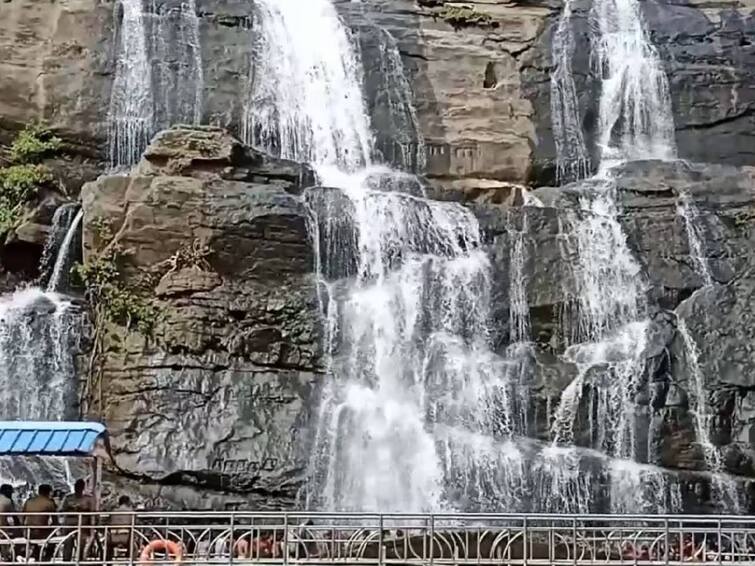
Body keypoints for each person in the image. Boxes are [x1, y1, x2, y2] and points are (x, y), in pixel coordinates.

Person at [60, 479, 95, 561]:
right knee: (68, 541)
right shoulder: (68, 498)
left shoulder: (88, 499)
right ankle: (67, 560)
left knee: (81, 542)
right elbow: (61, 509)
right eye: (77, 486)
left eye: (79, 487)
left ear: (82, 487)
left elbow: (92, 512)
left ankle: (79, 559)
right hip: (70, 524)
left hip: (83, 525)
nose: (78, 488)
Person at [23, 484, 57, 561]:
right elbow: (55, 521)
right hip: (41, 532)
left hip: (28, 532)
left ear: (39, 491)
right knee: (53, 535)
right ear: (48, 492)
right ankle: (47, 557)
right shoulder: (49, 503)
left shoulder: (28, 501)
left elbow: (23, 517)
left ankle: (37, 554)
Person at [108, 495, 135, 560]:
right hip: (126, 538)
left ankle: (107, 562)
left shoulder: (113, 512)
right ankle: (130, 562)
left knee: (108, 547)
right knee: (134, 547)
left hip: (113, 538)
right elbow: (135, 524)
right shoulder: (131, 512)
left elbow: (108, 522)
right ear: (128, 502)